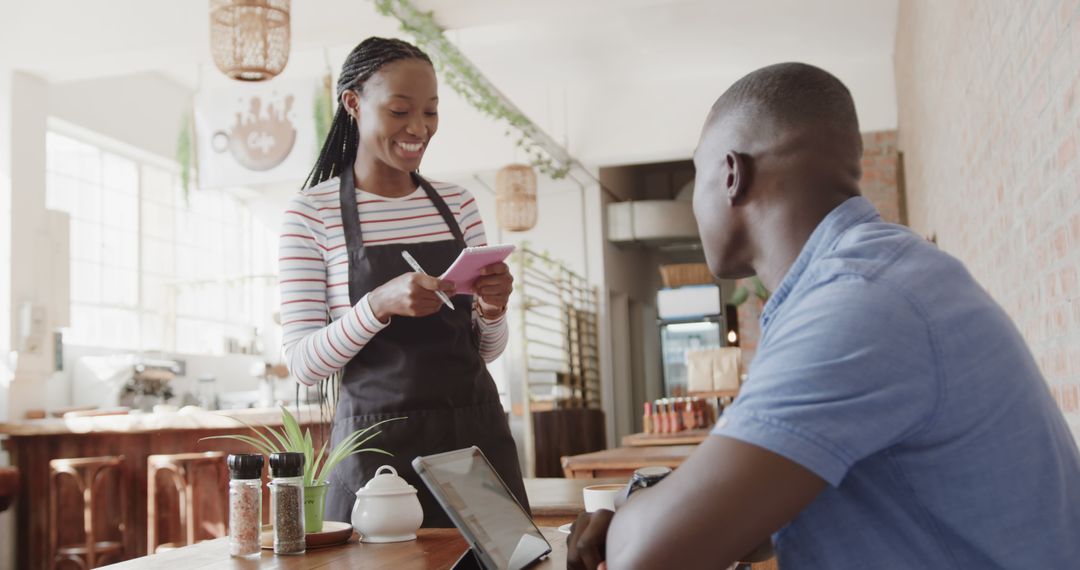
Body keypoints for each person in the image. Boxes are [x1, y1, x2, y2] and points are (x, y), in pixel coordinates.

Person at [568, 62, 1080, 569]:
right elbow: (763, 521)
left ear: (730, 174)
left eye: (695, 175)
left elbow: (648, 557)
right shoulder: (873, 273)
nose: (694, 209)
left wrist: (631, 518)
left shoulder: (856, 304)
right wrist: (657, 509)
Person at [278, 37, 528, 527]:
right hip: (378, 456)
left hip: (475, 439)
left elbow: (485, 351)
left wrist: (493, 311)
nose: (419, 128)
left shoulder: (458, 205)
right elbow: (304, 364)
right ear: (353, 103)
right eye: (399, 111)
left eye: (431, 112)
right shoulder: (311, 214)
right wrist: (378, 305)